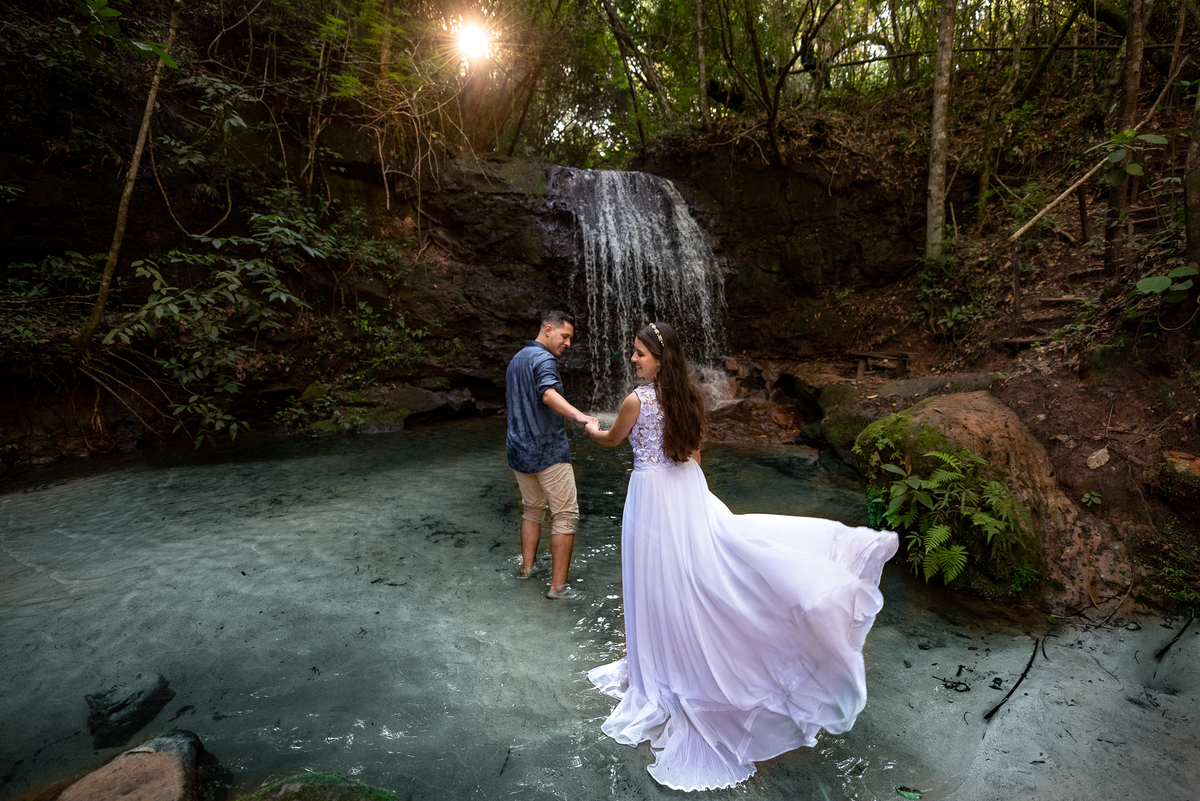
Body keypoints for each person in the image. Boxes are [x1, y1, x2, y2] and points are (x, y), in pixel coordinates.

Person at [583, 321, 899, 791]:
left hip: (650, 496)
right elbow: (692, 453)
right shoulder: (689, 398)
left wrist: (593, 428)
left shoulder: (636, 401)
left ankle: (663, 665)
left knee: (657, 581)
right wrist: (697, 499)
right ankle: (682, 655)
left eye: (640, 354)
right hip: (685, 489)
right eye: (634, 353)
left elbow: (613, 441)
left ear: (660, 359)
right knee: (694, 574)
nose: (633, 359)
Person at [506, 310, 596, 600]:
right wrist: (580, 416)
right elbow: (547, 394)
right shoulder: (545, 359)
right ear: (548, 330)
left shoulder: (516, 359)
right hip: (547, 452)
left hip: (518, 451)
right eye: (564, 336)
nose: (568, 343)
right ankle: (557, 588)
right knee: (565, 516)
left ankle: (527, 570)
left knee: (532, 509)